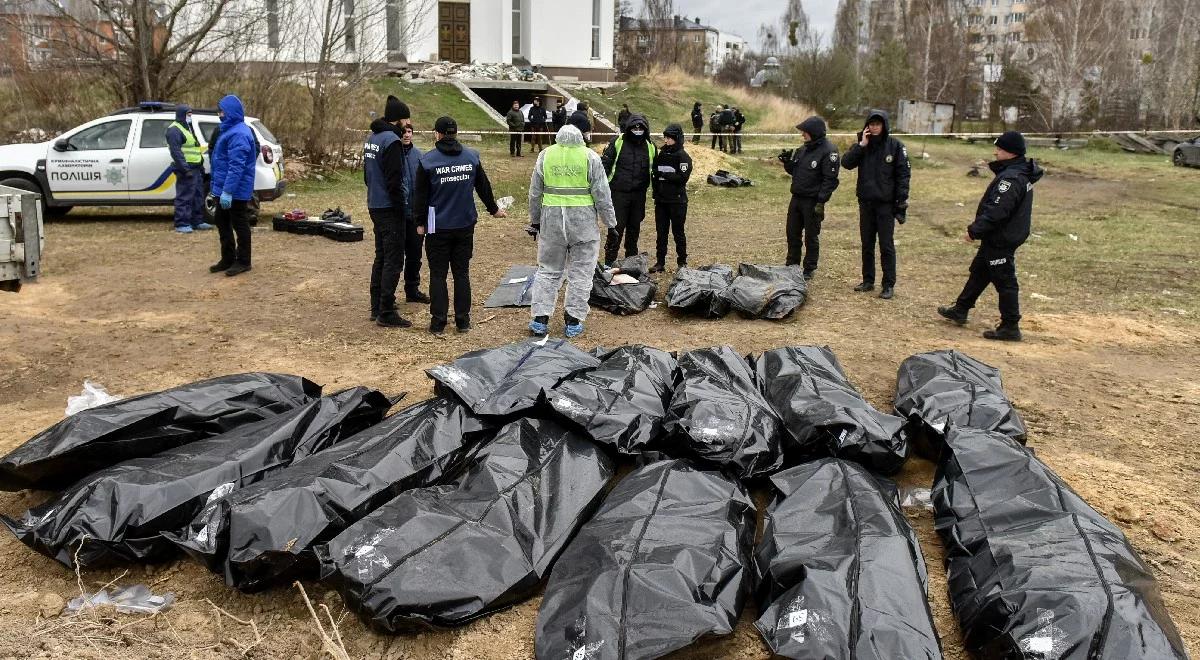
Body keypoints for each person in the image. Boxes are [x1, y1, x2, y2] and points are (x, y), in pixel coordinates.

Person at [938, 131, 1042, 341]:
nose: (996, 152)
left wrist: (974, 230)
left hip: (1002, 238)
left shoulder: (1011, 178)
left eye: (1000, 149)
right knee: (980, 271)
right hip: (999, 236)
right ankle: (961, 309)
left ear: (1011, 152)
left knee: (1005, 280)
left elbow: (997, 211)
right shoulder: (1016, 172)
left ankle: (1010, 326)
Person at [412, 116, 507, 335]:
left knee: (438, 274)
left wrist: (420, 222)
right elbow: (483, 186)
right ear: (456, 133)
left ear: (437, 134)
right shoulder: (471, 157)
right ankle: (463, 321)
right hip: (465, 223)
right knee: (461, 273)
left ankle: (438, 322)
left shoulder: (428, 161)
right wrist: (493, 209)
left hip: (437, 224)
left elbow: (421, 196)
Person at [526, 124, 616, 339]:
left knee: (548, 270)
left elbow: (534, 193)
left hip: (552, 223)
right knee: (581, 273)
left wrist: (535, 221)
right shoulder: (590, 157)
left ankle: (540, 318)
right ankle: (573, 319)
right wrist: (611, 223)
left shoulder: (546, 155)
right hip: (583, 225)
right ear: (582, 136)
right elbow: (602, 193)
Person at [841, 109, 910, 300]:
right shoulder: (864, 146)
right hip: (866, 203)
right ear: (867, 126)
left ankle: (888, 284)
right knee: (867, 244)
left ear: (884, 125)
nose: (874, 127)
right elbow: (846, 163)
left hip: (885, 205)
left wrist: (901, 202)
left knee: (886, 246)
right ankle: (868, 280)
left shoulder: (895, 146)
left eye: (878, 124)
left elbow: (903, 175)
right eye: (871, 124)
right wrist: (861, 145)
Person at [363, 95, 415, 328]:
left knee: (381, 256)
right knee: (393, 260)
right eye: (406, 119)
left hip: (374, 203)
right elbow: (395, 180)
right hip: (389, 208)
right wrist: (401, 208)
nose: (407, 123)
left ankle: (376, 307)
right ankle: (386, 311)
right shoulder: (392, 141)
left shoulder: (372, 138)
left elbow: (367, 175)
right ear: (399, 119)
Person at [781, 116, 840, 279]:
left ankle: (809, 267)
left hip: (813, 201)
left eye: (805, 132)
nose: (803, 135)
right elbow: (796, 172)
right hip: (797, 198)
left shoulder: (829, 151)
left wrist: (821, 201)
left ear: (814, 132)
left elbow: (831, 180)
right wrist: (787, 163)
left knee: (811, 236)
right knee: (792, 233)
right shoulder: (803, 149)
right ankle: (792, 264)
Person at [209, 94, 258, 277]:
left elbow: (236, 167)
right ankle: (228, 258)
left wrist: (228, 191)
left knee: (240, 223)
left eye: (222, 111)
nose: (219, 114)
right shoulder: (228, 130)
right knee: (222, 221)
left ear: (230, 112)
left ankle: (244, 261)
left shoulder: (239, 133)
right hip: (223, 188)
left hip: (235, 190)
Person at [600, 113, 656, 265]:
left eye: (641, 128)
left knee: (634, 229)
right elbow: (604, 165)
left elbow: (654, 171)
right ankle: (609, 263)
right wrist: (601, 189)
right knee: (616, 228)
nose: (637, 130)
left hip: (639, 195)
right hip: (618, 193)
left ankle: (631, 263)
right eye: (635, 127)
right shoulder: (617, 142)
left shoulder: (650, 146)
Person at [650, 123, 692, 273]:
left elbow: (682, 178)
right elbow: (654, 174)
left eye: (669, 138)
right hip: (661, 201)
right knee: (661, 233)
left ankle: (682, 262)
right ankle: (660, 262)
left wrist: (664, 175)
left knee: (678, 232)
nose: (666, 141)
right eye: (665, 138)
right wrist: (656, 192)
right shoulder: (661, 154)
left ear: (677, 139)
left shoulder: (683, 157)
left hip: (677, 201)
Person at [165, 105, 211, 234]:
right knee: (184, 196)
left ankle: (197, 221)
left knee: (198, 196)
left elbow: (195, 147)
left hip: (196, 168)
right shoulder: (174, 130)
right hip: (185, 169)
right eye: (188, 114)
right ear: (182, 114)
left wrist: (201, 164)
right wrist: (185, 169)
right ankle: (182, 223)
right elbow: (176, 152)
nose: (190, 117)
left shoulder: (188, 127)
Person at [398, 123, 429, 305]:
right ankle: (389, 295)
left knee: (415, 254)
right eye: (404, 132)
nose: (407, 135)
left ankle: (412, 289)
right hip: (398, 213)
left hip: (415, 214)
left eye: (409, 132)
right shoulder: (394, 154)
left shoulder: (419, 155)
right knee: (395, 257)